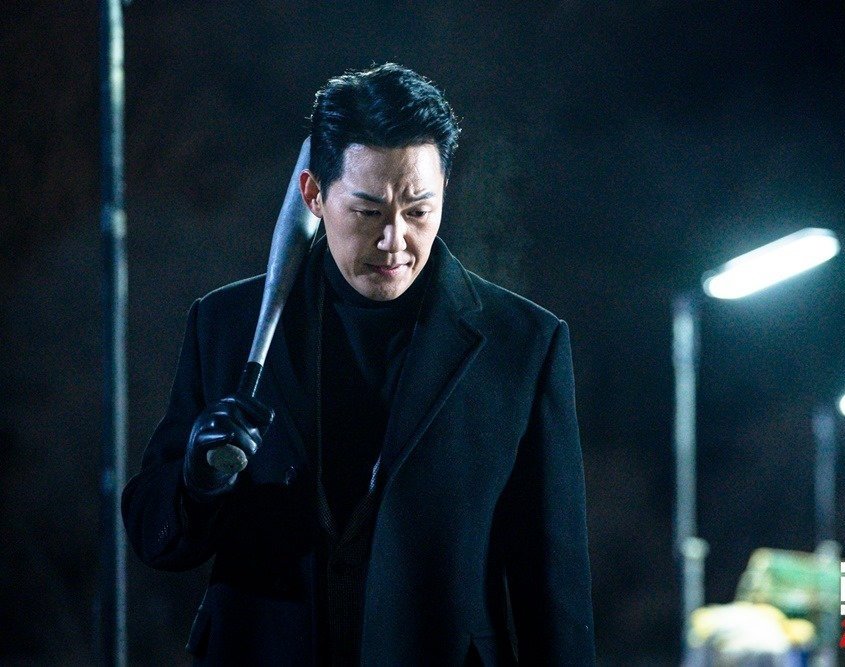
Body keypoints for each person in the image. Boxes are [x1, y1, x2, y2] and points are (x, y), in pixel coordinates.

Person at [122, 63, 594, 666]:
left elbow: (554, 588)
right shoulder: (227, 326)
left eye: (418, 210)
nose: (394, 240)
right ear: (314, 194)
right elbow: (154, 540)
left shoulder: (524, 345)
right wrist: (197, 482)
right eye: (368, 211)